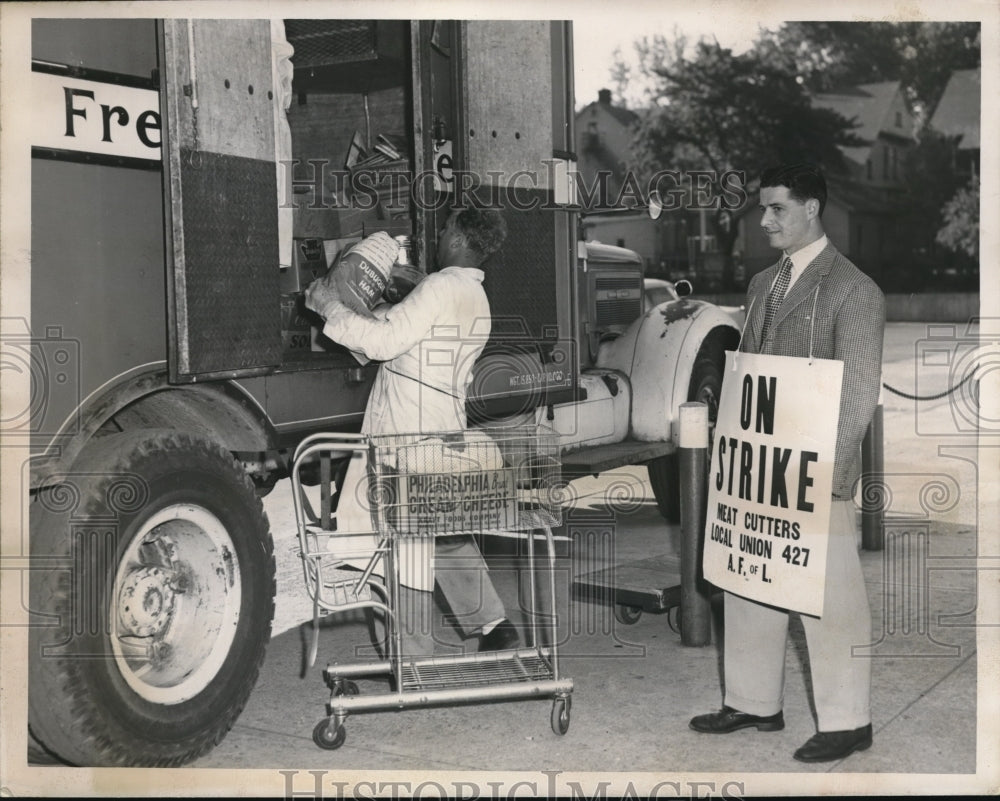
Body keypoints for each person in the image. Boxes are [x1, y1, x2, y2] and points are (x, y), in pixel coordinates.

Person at [689, 163, 885, 763]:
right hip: (759, 467)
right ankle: (754, 703)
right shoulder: (759, 286)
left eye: (777, 208)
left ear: (812, 208)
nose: (765, 219)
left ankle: (849, 720)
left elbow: (857, 396)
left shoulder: (854, 290)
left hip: (813, 470)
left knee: (830, 598)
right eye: (763, 208)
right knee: (749, 579)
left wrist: (830, 472)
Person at [304, 207, 520, 656]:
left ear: (459, 240)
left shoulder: (439, 287)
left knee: (404, 543)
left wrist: (328, 305)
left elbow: (385, 343)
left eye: (445, 231)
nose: (438, 237)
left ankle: (413, 655)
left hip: (409, 432)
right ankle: (494, 623)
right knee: (442, 527)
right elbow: (409, 333)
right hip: (443, 426)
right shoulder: (475, 296)